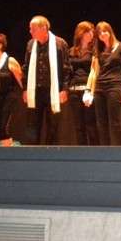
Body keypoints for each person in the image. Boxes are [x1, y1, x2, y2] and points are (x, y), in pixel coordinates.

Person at [21, 15, 71, 145]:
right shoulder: (31, 44)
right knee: (32, 124)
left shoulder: (60, 43)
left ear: (44, 28)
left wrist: (64, 89)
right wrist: (25, 89)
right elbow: (26, 68)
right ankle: (32, 151)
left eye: (33, 28)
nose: (30, 31)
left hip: (52, 90)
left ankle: (51, 152)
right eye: (30, 28)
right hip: (35, 90)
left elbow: (66, 68)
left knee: (53, 124)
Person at [83, 21, 121, 145]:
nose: (102, 34)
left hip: (115, 86)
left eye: (104, 31)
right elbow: (94, 72)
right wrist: (90, 91)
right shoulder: (98, 50)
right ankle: (105, 151)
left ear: (110, 32)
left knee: (115, 123)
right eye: (99, 33)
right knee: (101, 124)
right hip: (100, 87)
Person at [67, 21, 99, 145]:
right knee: (78, 125)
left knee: (91, 123)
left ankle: (95, 152)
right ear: (80, 33)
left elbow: (94, 71)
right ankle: (82, 151)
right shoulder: (71, 51)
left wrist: (89, 90)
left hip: (87, 89)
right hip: (74, 90)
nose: (91, 34)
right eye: (87, 31)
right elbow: (68, 71)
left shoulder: (94, 50)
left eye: (92, 31)